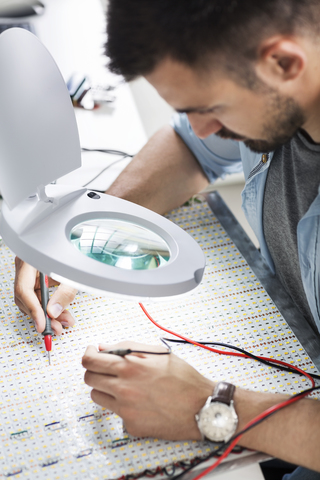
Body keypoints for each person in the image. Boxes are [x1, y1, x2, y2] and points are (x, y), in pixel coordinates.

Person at [14, 0, 320, 476]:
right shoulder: (274, 78)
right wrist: (80, 234)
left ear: (283, 62)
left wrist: (210, 407)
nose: (201, 125)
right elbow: (190, 146)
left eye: (210, 108)